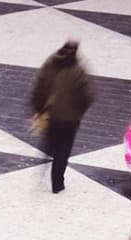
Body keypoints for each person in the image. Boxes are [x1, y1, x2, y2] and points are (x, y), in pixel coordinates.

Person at [29, 40, 94, 194]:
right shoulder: (79, 70)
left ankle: (44, 165)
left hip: (51, 115)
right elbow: (88, 94)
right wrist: (80, 110)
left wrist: (38, 109)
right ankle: (57, 183)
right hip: (71, 119)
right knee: (63, 150)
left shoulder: (50, 65)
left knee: (50, 143)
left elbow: (38, 87)